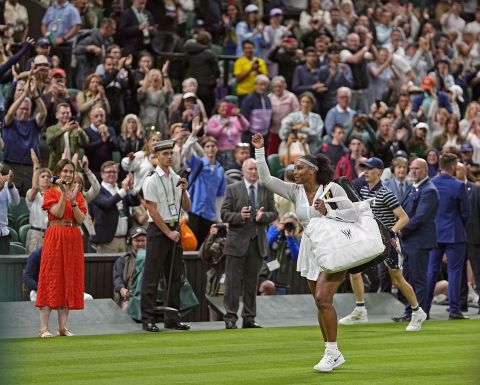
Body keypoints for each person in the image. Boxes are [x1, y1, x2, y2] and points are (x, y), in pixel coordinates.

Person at [251, 132, 357, 372]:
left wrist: (328, 210)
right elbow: (266, 179)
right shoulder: (296, 192)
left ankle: (331, 352)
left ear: (312, 171)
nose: (295, 172)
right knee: (319, 303)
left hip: (333, 247)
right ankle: (333, 352)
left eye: (299, 168)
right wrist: (259, 150)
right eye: (294, 169)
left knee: (323, 298)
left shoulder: (332, 189)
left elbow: (353, 215)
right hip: (310, 248)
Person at [339, 157, 428, 332]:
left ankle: (417, 312)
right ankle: (360, 309)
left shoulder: (386, 193)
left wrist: (392, 232)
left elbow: (404, 217)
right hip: (369, 241)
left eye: (370, 169)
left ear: (379, 172)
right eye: (365, 168)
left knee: (398, 280)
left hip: (388, 243)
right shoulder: (362, 191)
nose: (366, 171)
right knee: (354, 271)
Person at [221, 157, 277, 330]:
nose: (253, 172)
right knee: (232, 284)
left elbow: (274, 213)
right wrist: (239, 216)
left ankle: (249, 318)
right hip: (236, 243)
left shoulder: (266, 190)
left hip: (257, 243)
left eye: (256, 169)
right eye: (250, 169)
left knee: (252, 284)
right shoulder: (232, 189)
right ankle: (230, 318)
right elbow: (224, 214)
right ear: (242, 172)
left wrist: (263, 217)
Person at [141, 139, 192, 332]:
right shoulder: (151, 179)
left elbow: (187, 207)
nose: (169, 157)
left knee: (175, 276)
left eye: (171, 153)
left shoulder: (176, 178)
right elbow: (152, 211)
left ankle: (172, 318)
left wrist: (185, 191)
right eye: (165, 154)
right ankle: (148, 319)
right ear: (157, 156)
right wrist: (168, 232)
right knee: (151, 276)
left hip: (175, 228)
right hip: (159, 230)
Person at [36, 159, 86, 338]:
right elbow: (56, 213)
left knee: (68, 278)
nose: (68, 174)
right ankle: (44, 328)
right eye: (64, 171)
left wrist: (73, 201)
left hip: (73, 237)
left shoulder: (78, 195)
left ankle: (62, 327)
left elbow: (80, 219)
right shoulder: (50, 192)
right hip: (55, 235)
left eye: (71, 172)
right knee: (51, 277)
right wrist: (65, 195)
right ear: (58, 173)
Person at [394, 159, 440, 322]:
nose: (413, 171)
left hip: (419, 241)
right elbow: (402, 209)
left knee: (418, 278)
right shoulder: (412, 187)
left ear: (426, 170)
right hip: (409, 241)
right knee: (408, 278)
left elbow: (420, 217)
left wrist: (400, 229)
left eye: (417, 169)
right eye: (411, 168)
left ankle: (419, 312)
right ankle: (410, 311)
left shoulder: (429, 190)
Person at [427, 153, 470, 320]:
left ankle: (425, 309)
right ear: (453, 166)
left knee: (431, 272)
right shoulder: (458, 186)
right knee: (454, 272)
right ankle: (454, 310)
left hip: (435, 234)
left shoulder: (431, 183)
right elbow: (466, 213)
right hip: (455, 233)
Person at [184, 120, 226, 246]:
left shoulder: (220, 170)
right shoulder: (199, 163)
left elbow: (220, 196)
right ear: (204, 149)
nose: (210, 149)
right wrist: (194, 134)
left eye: (213, 146)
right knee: (191, 244)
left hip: (210, 214)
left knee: (205, 247)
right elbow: (186, 152)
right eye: (207, 146)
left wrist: (219, 217)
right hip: (195, 211)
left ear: (217, 148)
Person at [2, 75, 47, 196]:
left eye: (27, 109)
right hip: (10, 166)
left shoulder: (34, 123)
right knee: (11, 203)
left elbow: (43, 113)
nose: (24, 111)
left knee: (30, 203)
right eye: (21, 108)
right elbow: (10, 112)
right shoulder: (10, 122)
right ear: (17, 109)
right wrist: (24, 94)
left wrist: (35, 94)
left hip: (30, 169)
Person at [90, 161, 139, 253]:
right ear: (102, 174)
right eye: (108, 172)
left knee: (124, 267)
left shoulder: (120, 190)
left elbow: (136, 202)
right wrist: (124, 189)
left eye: (114, 172)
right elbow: (107, 204)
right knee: (107, 268)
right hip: (107, 242)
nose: (112, 174)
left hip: (124, 240)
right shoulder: (97, 190)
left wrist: (131, 188)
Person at [113, 226, 147, 311]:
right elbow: (117, 279)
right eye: (137, 241)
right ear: (130, 242)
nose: (140, 243)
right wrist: (122, 289)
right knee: (126, 308)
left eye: (142, 240)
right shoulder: (122, 260)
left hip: (147, 297)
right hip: (129, 298)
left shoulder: (153, 259)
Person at [46, 103, 89, 170]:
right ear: (57, 115)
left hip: (74, 166)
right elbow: (49, 141)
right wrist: (63, 130)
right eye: (63, 113)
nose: (65, 115)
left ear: (71, 114)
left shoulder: (75, 129)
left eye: (68, 113)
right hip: (56, 166)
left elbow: (85, 143)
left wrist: (80, 131)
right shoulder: (51, 129)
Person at [25, 151, 51, 253]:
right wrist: (36, 165)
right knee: (34, 267)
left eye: (48, 177)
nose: (46, 178)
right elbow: (35, 187)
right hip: (36, 234)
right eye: (43, 176)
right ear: (37, 179)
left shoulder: (54, 195)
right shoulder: (32, 194)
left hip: (50, 234)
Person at [0, 170, 19, 254]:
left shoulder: (5, 186)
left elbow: (15, 202)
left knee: (4, 266)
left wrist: (10, 185)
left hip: (3, 235)